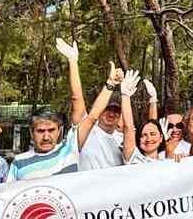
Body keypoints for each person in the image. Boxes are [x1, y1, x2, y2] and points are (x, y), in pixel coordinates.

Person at [8, 49, 121, 180]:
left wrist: (110, 84)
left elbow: (91, 114)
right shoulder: (18, 162)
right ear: (31, 132)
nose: (46, 136)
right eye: (40, 131)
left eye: (51, 130)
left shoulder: (69, 150)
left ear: (59, 130)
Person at [57, 38, 127, 172]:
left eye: (116, 111)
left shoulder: (123, 140)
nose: (111, 114)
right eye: (107, 109)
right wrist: (73, 62)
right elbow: (76, 98)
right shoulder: (87, 131)